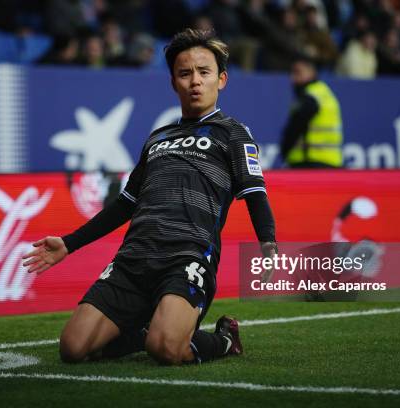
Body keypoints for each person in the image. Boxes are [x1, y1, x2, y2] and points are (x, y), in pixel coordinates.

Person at [22, 28, 277, 365]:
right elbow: (126, 203)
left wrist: (268, 243)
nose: (195, 81)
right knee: (73, 348)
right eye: (185, 74)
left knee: (167, 349)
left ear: (222, 80)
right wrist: (70, 243)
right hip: (134, 257)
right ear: (174, 82)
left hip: (187, 255)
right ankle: (142, 332)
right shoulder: (158, 138)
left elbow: (255, 192)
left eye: (204, 72)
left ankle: (224, 339)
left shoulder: (234, 133)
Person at [281, 56, 343, 168]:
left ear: (311, 72)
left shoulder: (310, 98)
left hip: (310, 163)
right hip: (331, 163)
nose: (293, 78)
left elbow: (294, 128)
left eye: (298, 72)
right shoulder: (324, 93)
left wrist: (284, 151)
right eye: (292, 73)